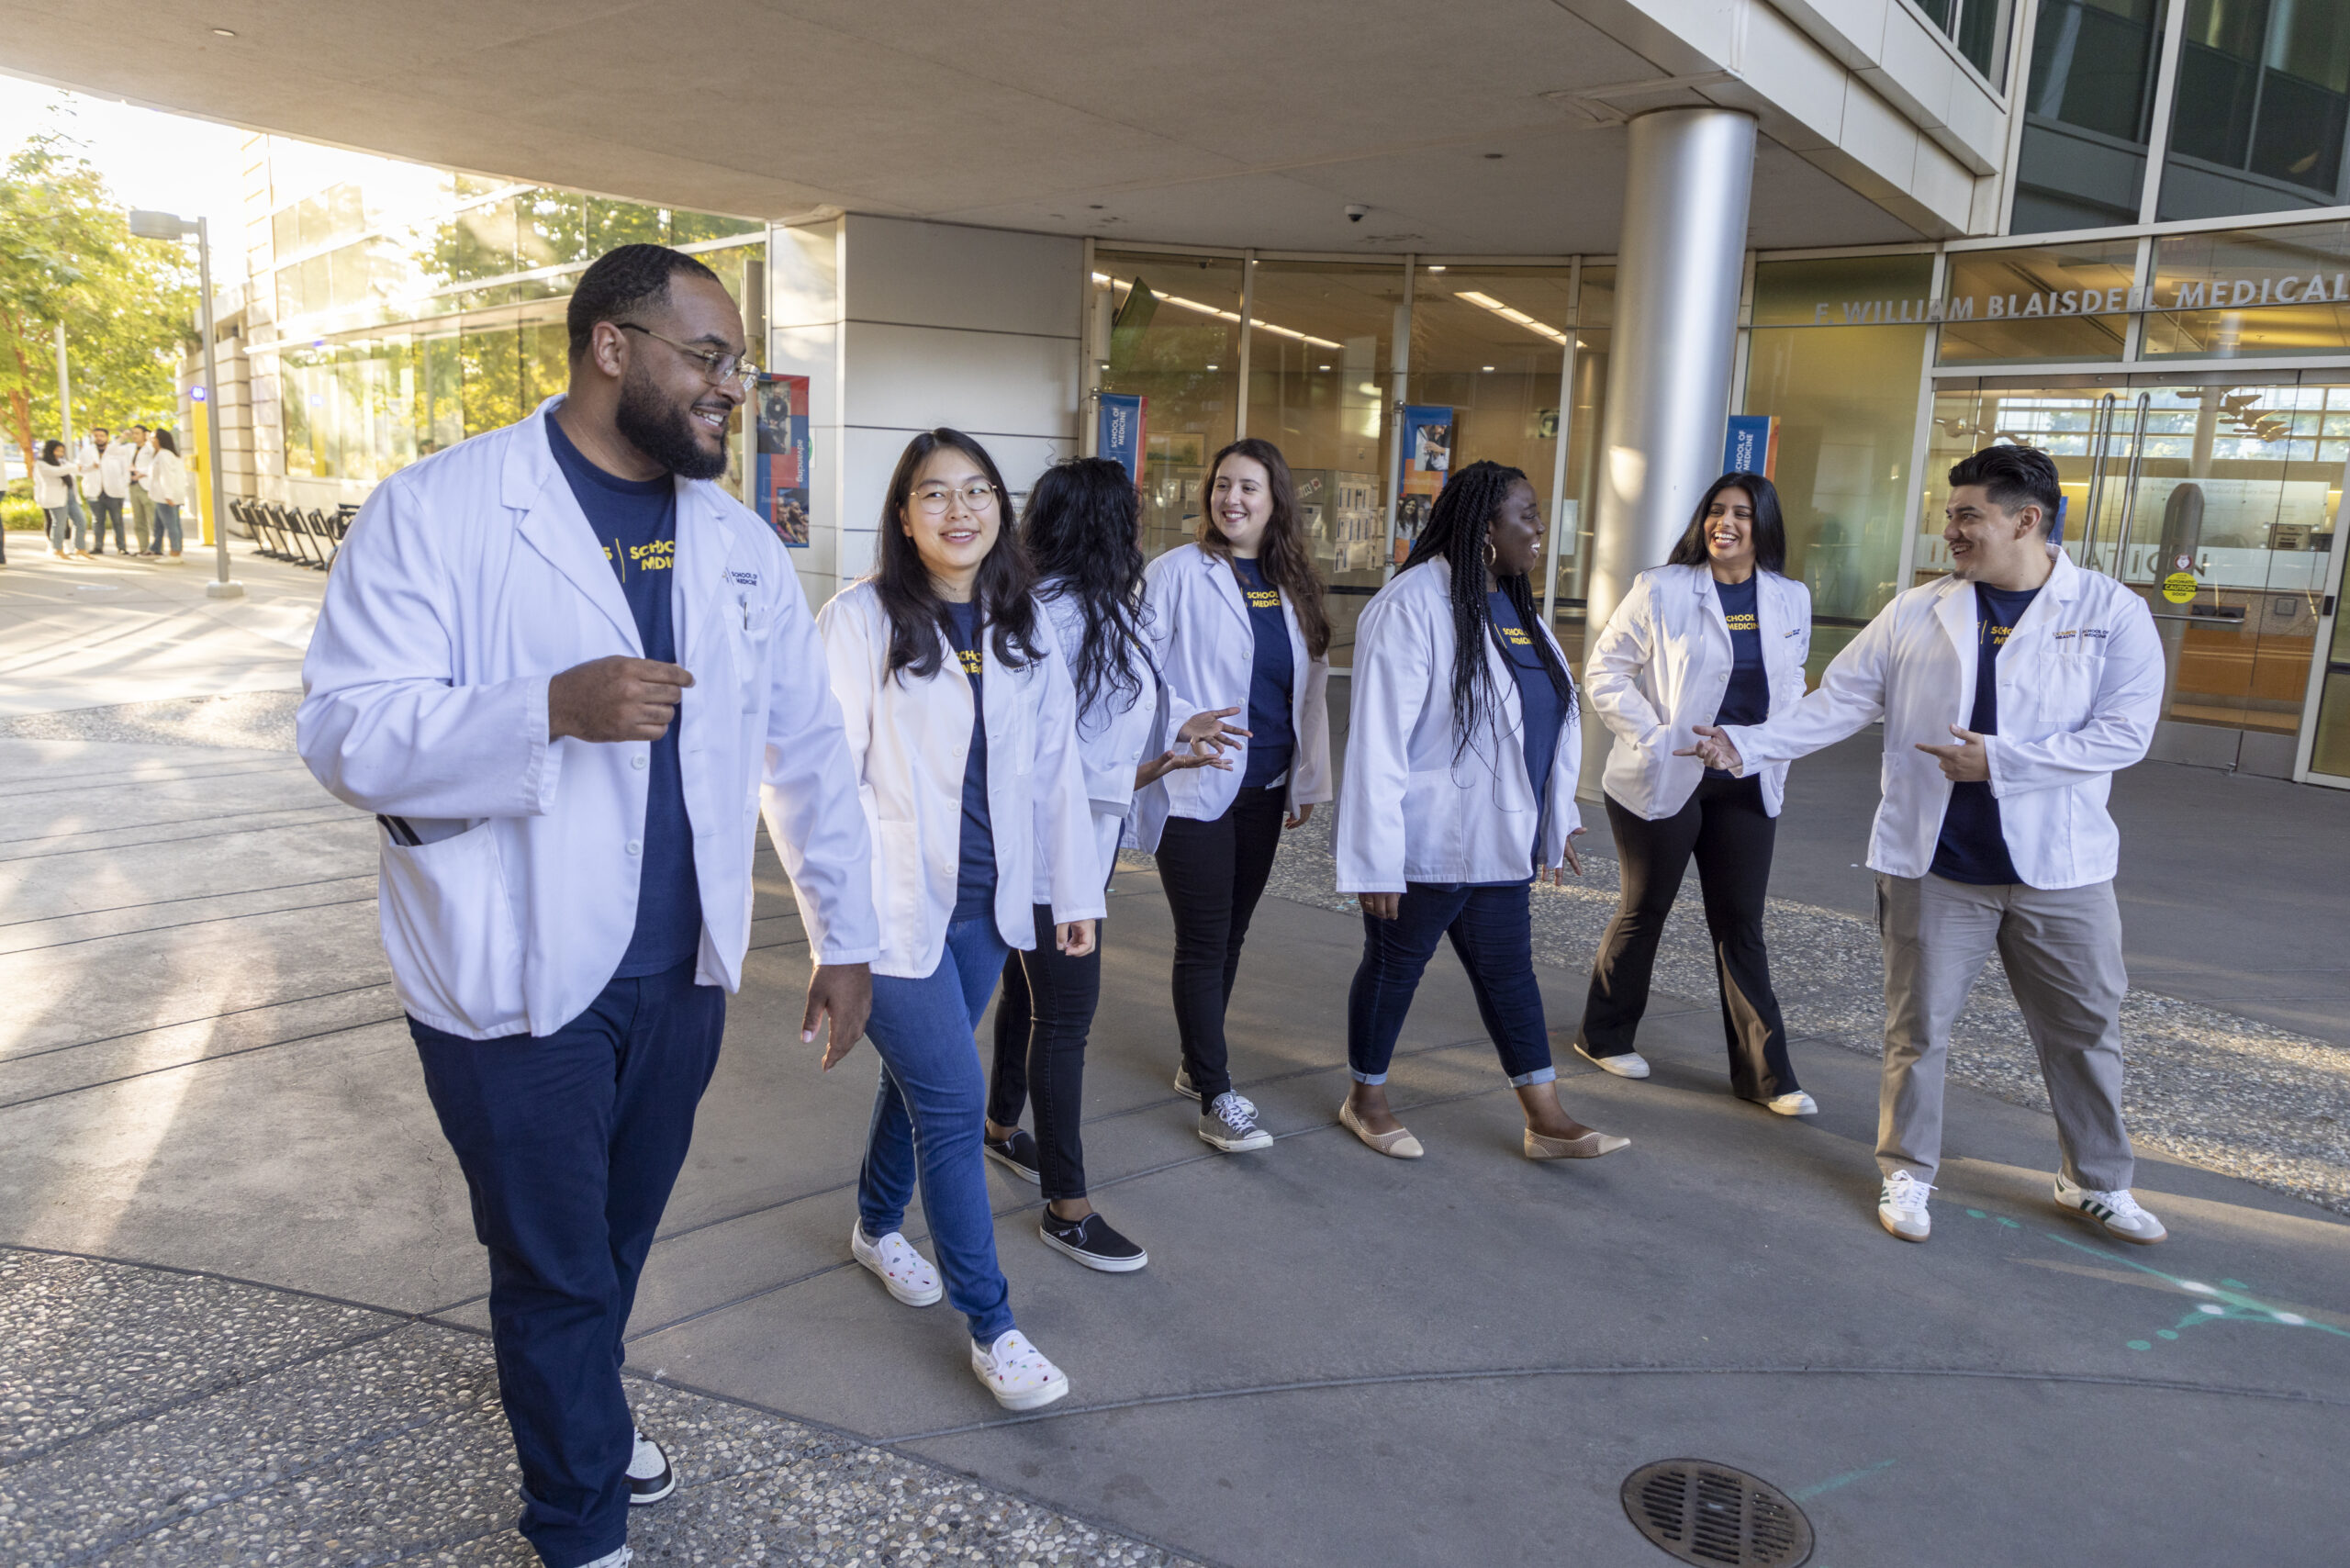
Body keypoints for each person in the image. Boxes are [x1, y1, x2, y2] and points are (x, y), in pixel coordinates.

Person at [299, 244, 878, 1568]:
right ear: (611, 349)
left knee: (613, 1238)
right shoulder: (440, 509)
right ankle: (579, 1528)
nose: (736, 389)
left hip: (678, 971)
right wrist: (543, 712)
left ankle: (587, 1409)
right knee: (556, 1264)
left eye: (738, 364)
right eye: (710, 358)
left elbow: (802, 750)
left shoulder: (737, 543)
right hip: (507, 965)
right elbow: (343, 730)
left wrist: (845, 935)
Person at [1683, 444, 2168, 1249]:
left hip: (2062, 872)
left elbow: (2124, 734)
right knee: (1919, 1029)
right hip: (1937, 865)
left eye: (1967, 515)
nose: (1952, 530)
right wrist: (1749, 745)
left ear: (2027, 520)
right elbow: (1839, 701)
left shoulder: (2110, 610)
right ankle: (1907, 1170)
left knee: (2086, 1030)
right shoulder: (1918, 610)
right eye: (1951, 515)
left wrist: (2001, 762)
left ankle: (2096, 1182)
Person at [818, 427, 1101, 1409]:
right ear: (904, 515)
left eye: (977, 491)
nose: (960, 510)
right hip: (889, 908)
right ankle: (994, 1324)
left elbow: (1058, 767)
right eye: (935, 494)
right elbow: (814, 786)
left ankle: (872, 1223)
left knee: (914, 1084)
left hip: (986, 905)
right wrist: (834, 933)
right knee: (949, 1096)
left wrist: (1073, 892)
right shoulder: (859, 621)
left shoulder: (1021, 623)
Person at [980, 457, 1246, 1271]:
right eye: (1127, 516)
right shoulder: (1052, 622)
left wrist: (1173, 732)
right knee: (1064, 1022)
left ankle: (998, 1127)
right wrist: (1161, 765)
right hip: (1049, 859)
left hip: (1068, 856)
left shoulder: (1085, 610)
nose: (1139, 528)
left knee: (1030, 998)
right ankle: (1067, 1208)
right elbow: (1055, 768)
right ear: (1105, 528)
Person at [1336, 461, 1628, 1160]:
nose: (1539, 530)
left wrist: (1550, 821)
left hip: (1500, 838)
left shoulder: (1515, 607)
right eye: (1527, 515)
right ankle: (1365, 1099)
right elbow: (1376, 744)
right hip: (1429, 839)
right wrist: (1376, 858)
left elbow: (1543, 724)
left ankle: (1546, 1118)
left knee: (1509, 974)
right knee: (1394, 969)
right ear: (1484, 529)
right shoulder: (1411, 606)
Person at [1573, 473, 1818, 1114]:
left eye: (1741, 513)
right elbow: (1604, 672)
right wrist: (1655, 737)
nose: (1725, 523)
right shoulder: (1662, 587)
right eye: (1716, 511)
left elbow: (1788, 690)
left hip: (1744, 777)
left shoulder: (1791, 598)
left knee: (1740, 921)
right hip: (1666, 773)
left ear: (1763, 525)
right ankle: (1603, 1035)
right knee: (1644, 907)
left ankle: (1767, 1076)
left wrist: (1766, 752)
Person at [1136, 437, 1333, 1154]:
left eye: (1249, 487)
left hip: (1266, 783)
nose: (1232, 499)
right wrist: (1179, 716)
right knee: (1204, 936)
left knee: (1234, 933)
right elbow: (1139, 667)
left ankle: (1198, 1060)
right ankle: (1216, 1094)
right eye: (1222, 485)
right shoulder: (1176, 573)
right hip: (1195, 781)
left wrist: (1307, 780)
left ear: (1275, 499)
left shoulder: (1294, 583)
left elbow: (1308, 694)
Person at [77, 427, 130, 554]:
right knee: (97, 521)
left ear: (107, 437)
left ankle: (121, 547)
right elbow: (80, 469)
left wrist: (123, 485)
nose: (99, 438)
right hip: (95, 491)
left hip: (114, 490)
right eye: (96, 436)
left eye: (102, 436)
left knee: (117, 520)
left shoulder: (117, 451)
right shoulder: (86, 452)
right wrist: (91, 467)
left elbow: (125, 469)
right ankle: (98, 546)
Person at [34, 440, 84, 558]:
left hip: (70, 495)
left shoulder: (63, 462)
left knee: (81, 521)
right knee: (59, 523)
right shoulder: (42, 464)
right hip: (55, 497)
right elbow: (55, 472)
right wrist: (73, 467)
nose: (60, 453)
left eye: (62, 451)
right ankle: (57, 549)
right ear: (50, 450)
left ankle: (80, 548)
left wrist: (78, 467)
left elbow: (77, 470)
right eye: (57, 450)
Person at [145, 430, 188, 560]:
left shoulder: (164, 455)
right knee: (159, 525)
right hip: (163, 496)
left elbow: (167, 476)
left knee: (172, 525)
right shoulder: (165, 454)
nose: (151, 440)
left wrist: (168, 496)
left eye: (153, 438)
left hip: (166, 497)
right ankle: (155, 548)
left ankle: (175, 553)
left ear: (160, 439)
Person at [126, 423, 154, 554]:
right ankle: (143, 548)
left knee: (153, 519)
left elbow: (154, 465)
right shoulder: (131, 448)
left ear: (145, 434)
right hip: (133, 486)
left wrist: (149, 440)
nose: (134, 436)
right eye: (133, 433)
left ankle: (156, 548)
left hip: (146, 486)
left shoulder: (150, 448)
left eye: (137, 433)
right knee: (138, 521)